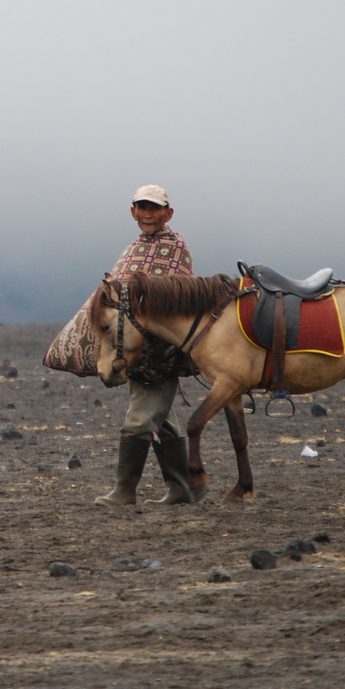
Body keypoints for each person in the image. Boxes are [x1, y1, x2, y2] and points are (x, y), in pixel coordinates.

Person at [94, 183, 199, 508]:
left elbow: (174, 295)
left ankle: (125, 491)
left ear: (168, 213)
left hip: (163, 350)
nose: (148, 214)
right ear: (133, 212)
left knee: (140, 419)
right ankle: (182, 489)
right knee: (161, 420)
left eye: (155, 208)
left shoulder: (176, 247)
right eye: (142, 208)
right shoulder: (133, 249)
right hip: (135, 350)